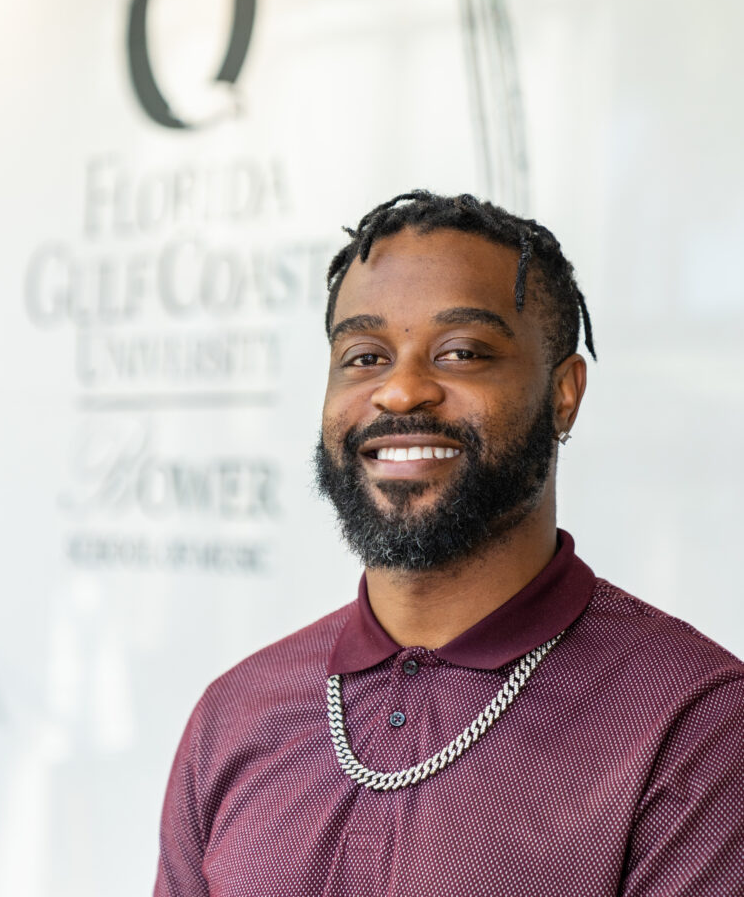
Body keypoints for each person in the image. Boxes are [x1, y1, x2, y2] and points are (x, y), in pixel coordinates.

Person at [154, 191, 744, 897]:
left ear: (565, 393)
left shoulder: (692, 722)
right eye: (364, 355)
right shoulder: (236, 713)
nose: (400, 391)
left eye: (461, 352)